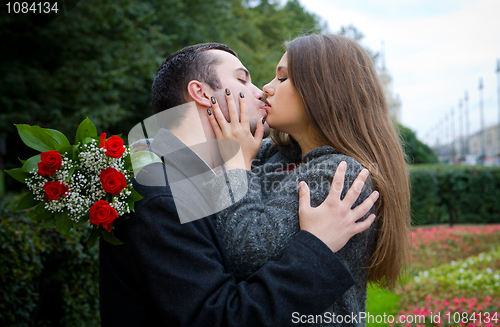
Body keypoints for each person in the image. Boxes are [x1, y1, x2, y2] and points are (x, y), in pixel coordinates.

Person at [99, 42, 379, 327]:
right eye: (243, 79)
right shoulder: (163, 197)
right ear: (202, 93)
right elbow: (220, 318)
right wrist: (316, 246)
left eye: (280, 78)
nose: (262, 90)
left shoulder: (208, 172)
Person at [207, 34, 411, 326]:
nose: (266, 88)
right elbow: (203, 165)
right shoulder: (280, 155)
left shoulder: (340, 174)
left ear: (324, 90)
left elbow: (246, 252)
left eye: (283, 78)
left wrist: (237, 165)